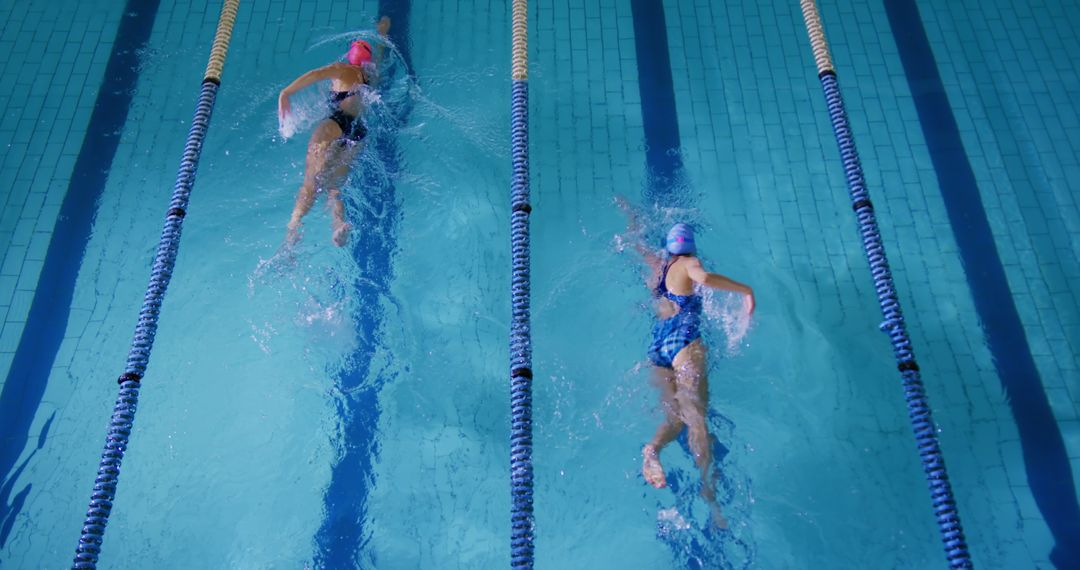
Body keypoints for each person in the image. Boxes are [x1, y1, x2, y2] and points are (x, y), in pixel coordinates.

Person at [617, 198, 755, 529]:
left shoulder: (659, 268)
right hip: (684, 345)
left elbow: (634, 243)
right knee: (695, 419)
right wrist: (745, 290)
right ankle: (710, 495)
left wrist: (631, 215)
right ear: (690, 249)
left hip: (657, 349)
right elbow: (704, 278)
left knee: (673, 416)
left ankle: (653, 449)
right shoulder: (688, 264)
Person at [278, 16, 391, 247]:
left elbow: (315, 75)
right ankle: (338, 224)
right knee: (333, 188)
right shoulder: (371, 77)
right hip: (358, 132)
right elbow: (381, 53)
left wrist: (285, 93)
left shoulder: (343, 70)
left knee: (311, 181)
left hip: (335, 123)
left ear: (351, 56)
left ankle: (294, 226)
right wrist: (382, 33)